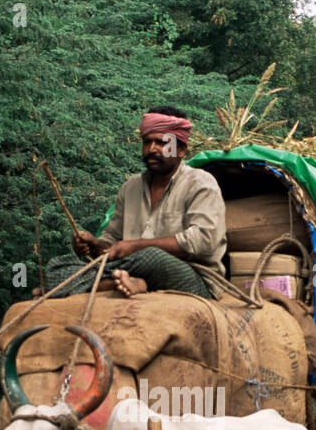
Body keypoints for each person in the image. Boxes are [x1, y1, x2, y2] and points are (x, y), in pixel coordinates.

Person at [41, 106, 226, 299]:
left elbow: (204, 240)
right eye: (147, 142)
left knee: (151, 256)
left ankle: (89, 284)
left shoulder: (201, 183)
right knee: (58, 265)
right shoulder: (131, 186)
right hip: (131, 268)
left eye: (162, 143)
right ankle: (122, 283)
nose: (151, 149)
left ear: (181, 149)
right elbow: (112, 240)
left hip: (194, 279)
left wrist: (134, 246)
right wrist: (94, 245)